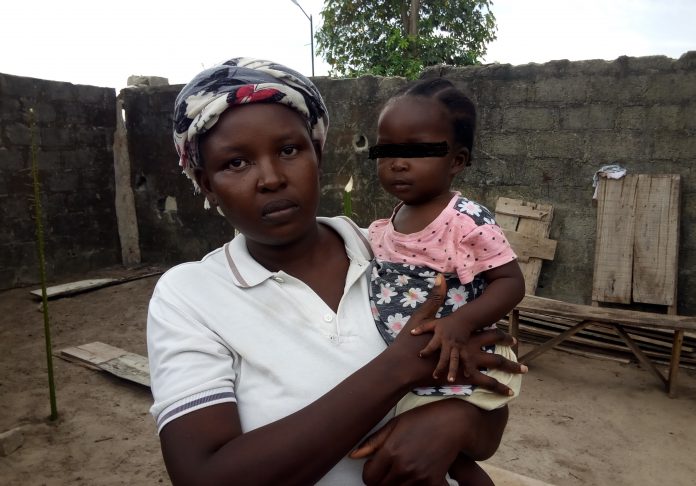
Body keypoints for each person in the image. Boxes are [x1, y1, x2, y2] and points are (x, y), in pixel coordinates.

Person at [147, 57, 526, 485]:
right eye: (235, 163)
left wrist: (454, 422)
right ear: (206, 184)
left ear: (318, 154)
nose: (271, 179)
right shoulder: (190, 297)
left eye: (288, 150)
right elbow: (202, 476)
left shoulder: (398, 255)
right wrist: (399, 368)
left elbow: (490, 417)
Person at [367, 78, 526, 415]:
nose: (398, 163)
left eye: (417, 151)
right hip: (403, 366)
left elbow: (511, 282)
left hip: (453, 363)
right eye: (387, 150)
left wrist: (461, 322)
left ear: (456, 161)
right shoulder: (388, 223)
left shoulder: (466, 221)